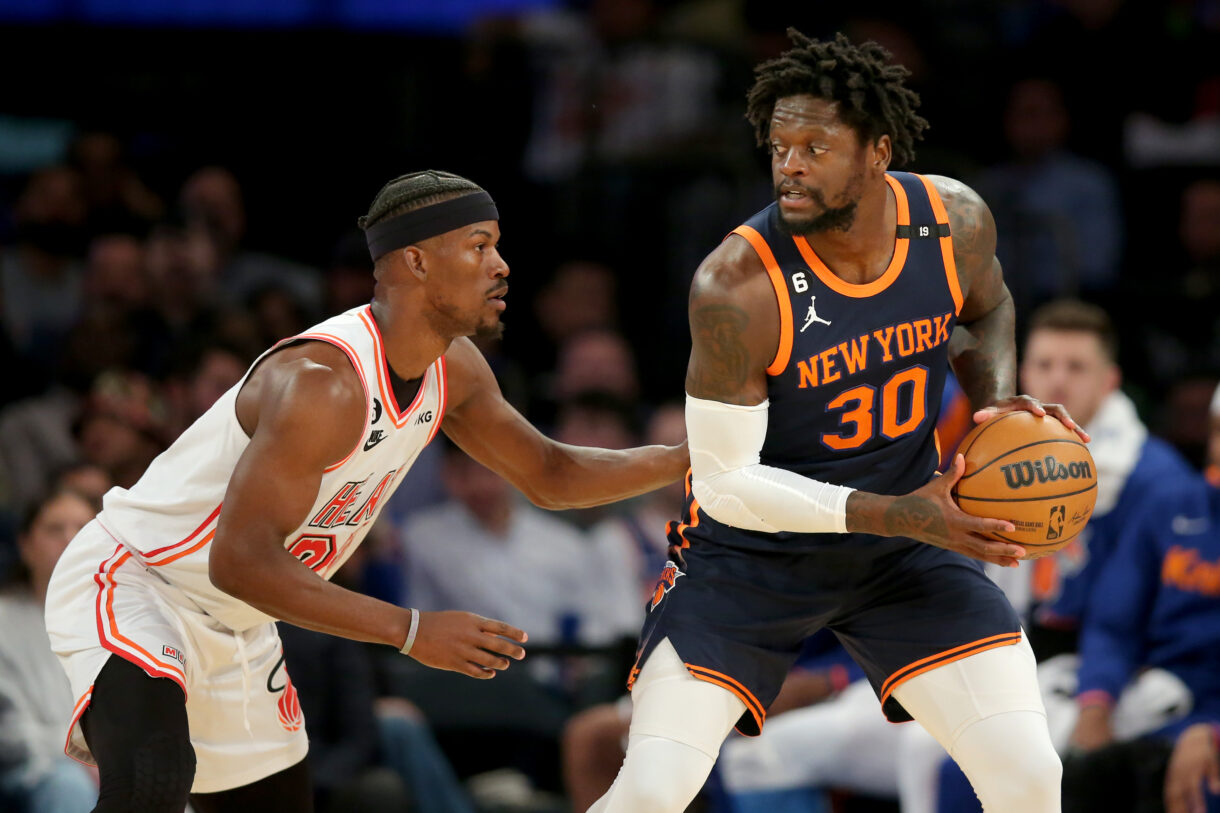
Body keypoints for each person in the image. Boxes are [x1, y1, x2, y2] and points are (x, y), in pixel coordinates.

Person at [43, 169, 689, 813]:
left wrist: (686, 459)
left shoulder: (455, 367)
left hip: (237, 617)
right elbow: (238, 558)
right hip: (140, 579)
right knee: (153, 780)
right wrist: (410, 630)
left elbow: (549, 473)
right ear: (416, 261)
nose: (502, 265)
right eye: (480, 245)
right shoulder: (324, 383)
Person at [588, 31, 1087, 813]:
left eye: (815, 147)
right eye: (780, 145)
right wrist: (903, 512)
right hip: (750, 561)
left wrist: (995, 406)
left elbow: (985, 308)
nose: (790, 164)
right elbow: (722, 485)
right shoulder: (736, 284)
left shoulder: (952, 219)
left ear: (878, 151)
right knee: (654, 789)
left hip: (903, 555)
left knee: (1029, 775)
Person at [0, 490, 99, 813]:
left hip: (114, 766)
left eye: (82, 528)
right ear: (26, 544)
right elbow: (9, 734)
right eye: (55, 529)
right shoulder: (4, 621)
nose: (70, 539)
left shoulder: (125, 622)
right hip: (37, 770)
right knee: (67, 785)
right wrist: (87, 756)